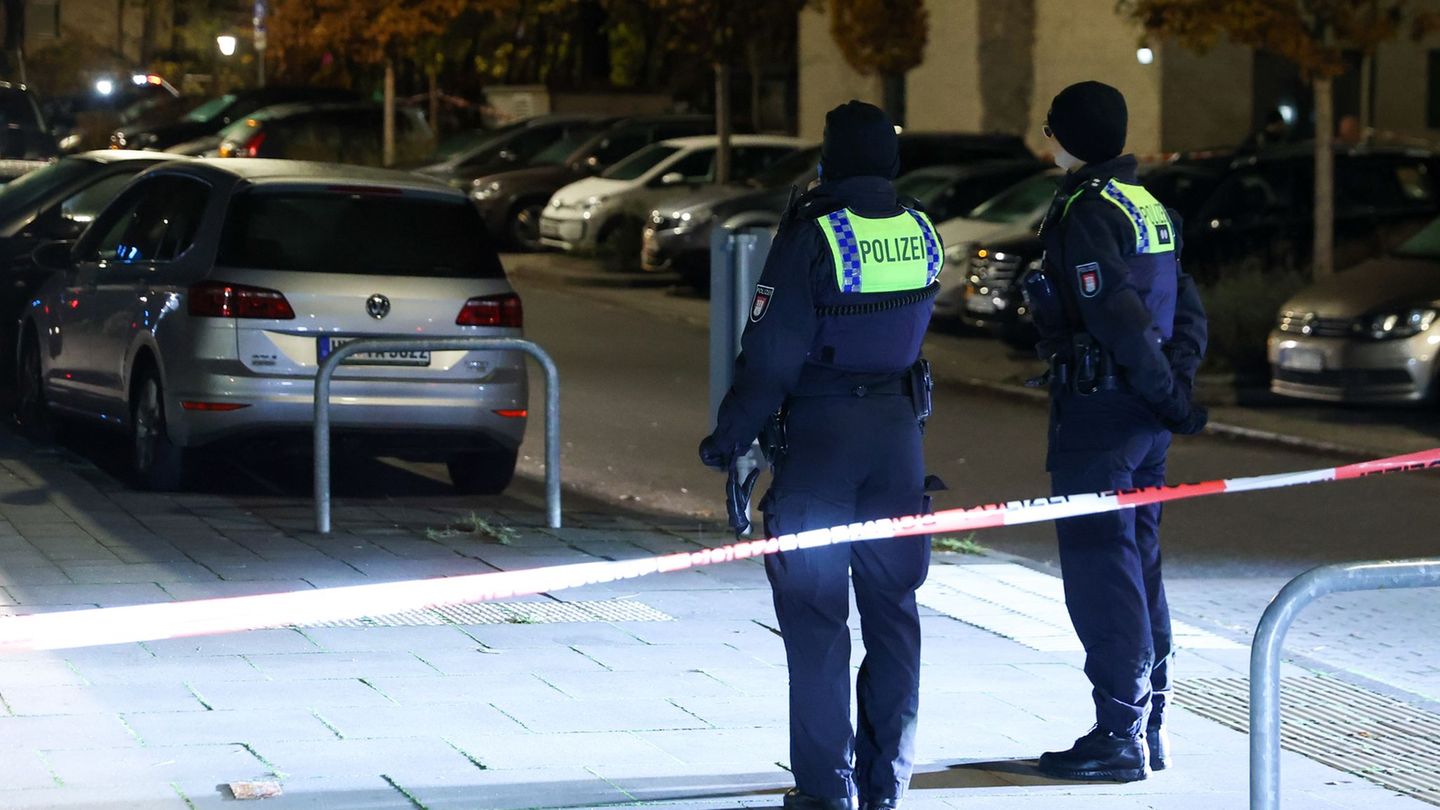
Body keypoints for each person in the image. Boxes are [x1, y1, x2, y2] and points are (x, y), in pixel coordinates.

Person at [698, 100, 942, 810]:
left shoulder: (814, 232)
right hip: (898, 441)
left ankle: (827, 788)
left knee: (816, 622)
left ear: (830, 158)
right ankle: (885, 784)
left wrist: (728, 439)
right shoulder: (921, 228)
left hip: (821, 445)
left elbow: (771, 356)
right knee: (893, 615)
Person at [1025, 81, 1208, 783]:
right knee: (1139, 567)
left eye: (1052, 130)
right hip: (1143, 419)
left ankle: (1118, 736)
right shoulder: (1148, 204)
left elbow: (1118, 315)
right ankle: (1149, 726)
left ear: (1071, 135)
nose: (1048, 141)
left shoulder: (1087, 210)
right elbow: (1186, 309)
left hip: (1100, 415)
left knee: (1102, 572)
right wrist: (1173, 394)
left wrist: (1163, 392)